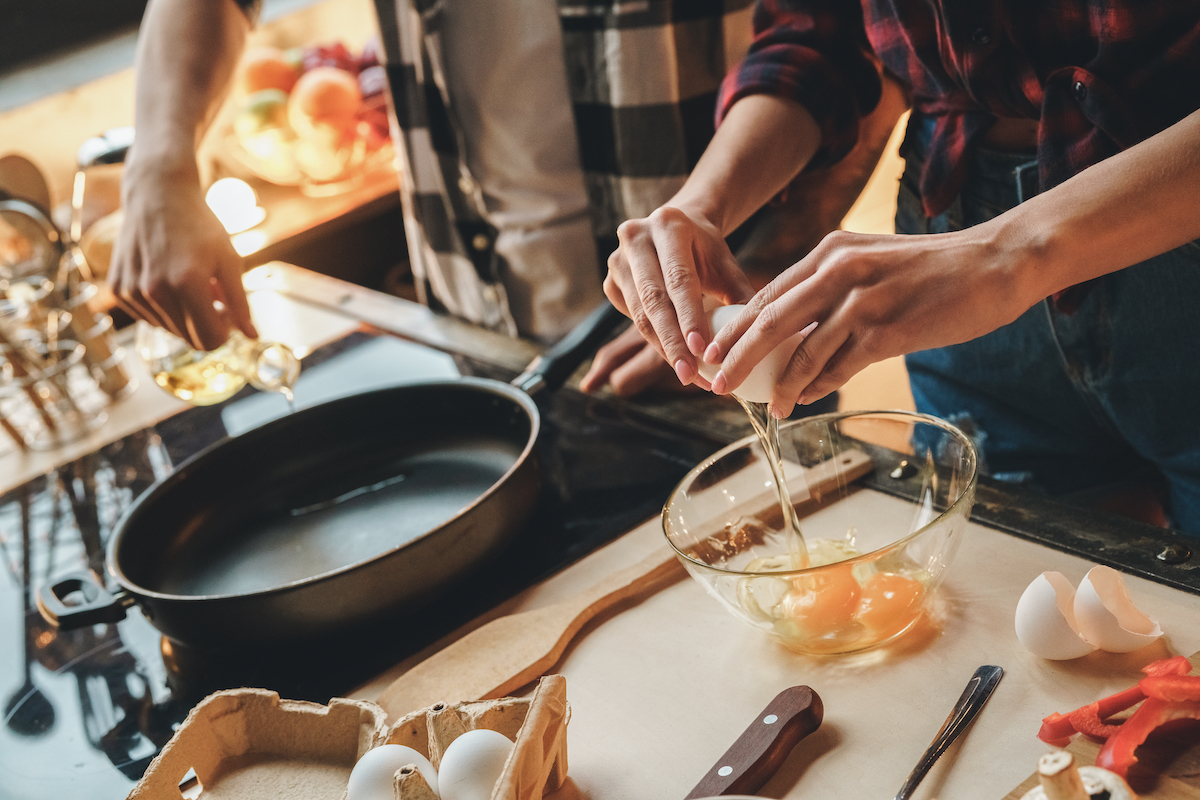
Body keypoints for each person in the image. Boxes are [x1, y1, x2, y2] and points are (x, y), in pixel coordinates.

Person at [601, 1, 1200, 533]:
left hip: (1167, 221)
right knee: (1011, 601)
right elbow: (820, 35)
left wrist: (1003, 255)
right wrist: (700, 205)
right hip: (956, 233)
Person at [109, 0, 894, 399]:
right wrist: (158, 162)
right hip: (469, 340)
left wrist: (757, 286)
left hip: (722, 339)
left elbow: (844, 42)